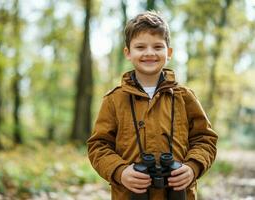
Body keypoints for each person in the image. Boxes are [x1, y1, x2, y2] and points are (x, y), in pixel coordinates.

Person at [87, 10, 218, 200]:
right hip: (130, 194)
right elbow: (98, 146)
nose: (149, 53)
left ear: (169, 52)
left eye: (158, 46)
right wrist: (121, 172)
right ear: (128, 53)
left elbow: (205, 139)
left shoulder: (185, 97)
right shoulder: (114, 100)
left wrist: (192, 167)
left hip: (178, 194)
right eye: (140, 47)